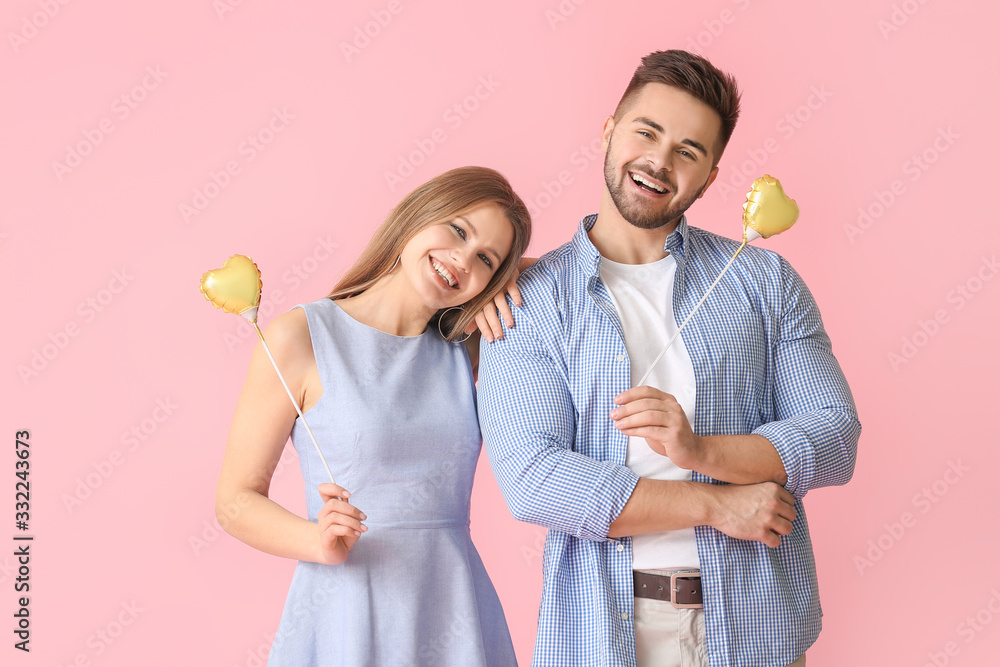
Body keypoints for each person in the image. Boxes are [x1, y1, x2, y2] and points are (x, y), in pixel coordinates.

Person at [477, 50, 861, 667]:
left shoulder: (763, 282)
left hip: (758, 620)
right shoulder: (530, 299)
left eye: (688, 151)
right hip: (604, 629)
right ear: (609, 130)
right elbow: (534, 481)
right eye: (646, 132)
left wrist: (699, 453)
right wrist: (716, 503)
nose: (659, 160)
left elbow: (834, 436)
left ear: (709, 177)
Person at [215, 166, 531, 666]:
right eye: (457, 230)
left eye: (485, 259)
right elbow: (234, 499)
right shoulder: (298, 337)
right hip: (345, 611)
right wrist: (315, 540)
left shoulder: (468, 347)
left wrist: (516, 272)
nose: (461, 259)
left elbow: (572, 278)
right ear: (417, 214)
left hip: (454, 612)